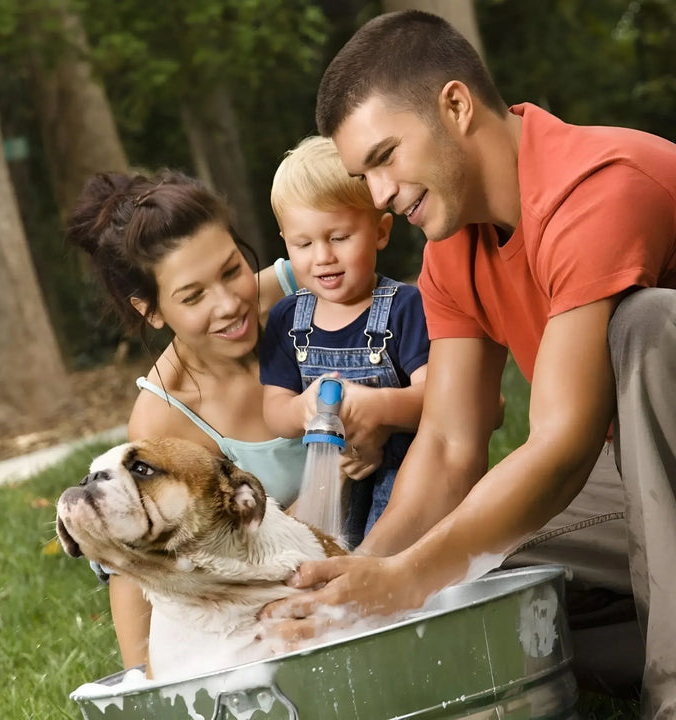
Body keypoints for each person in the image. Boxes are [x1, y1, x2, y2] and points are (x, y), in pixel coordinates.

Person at [259, 11, 676, 718]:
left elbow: (565, 443)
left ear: (455, 105)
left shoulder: (595, 185)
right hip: (651, 480)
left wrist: (409, 577)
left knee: (649, 325)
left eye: (387, 156)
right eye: (365, 174)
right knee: (479, 572)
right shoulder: (451, 247)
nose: (381, 193)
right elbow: (451, 448)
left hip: (649, 460)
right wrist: (370, 575)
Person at [66, 169, 307, 669]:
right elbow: (139, 557)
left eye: (232, 269)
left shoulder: (305, 285)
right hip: (294, 598)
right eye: (193, 296)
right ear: (151, 310)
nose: (229, 304)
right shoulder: (163, 418)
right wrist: (147, 685)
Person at [260, 135, 430, 547]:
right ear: (285, 241)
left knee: (391, 556)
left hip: (405, 479)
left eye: (339, 238)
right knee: (327, 554)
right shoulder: (287, 319)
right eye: (303, 244)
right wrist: (303, 407)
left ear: (381, 231)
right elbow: (274, 411)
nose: (322, 257)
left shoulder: (404, 307)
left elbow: (439, 396)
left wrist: (377, 407)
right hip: (331, 479)